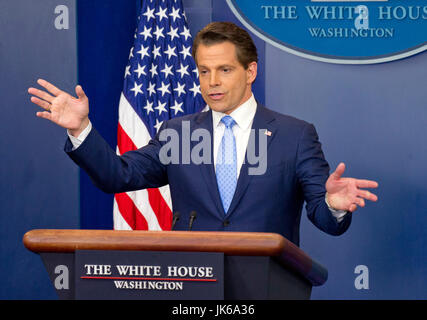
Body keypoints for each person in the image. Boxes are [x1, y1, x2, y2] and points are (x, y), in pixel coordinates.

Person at [28, 22, 378, 246]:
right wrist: (80, 129)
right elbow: (116, 175)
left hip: (269, 285)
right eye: (204, 71)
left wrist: (332, 204)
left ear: (250, 70)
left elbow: (325, 218)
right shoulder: (175, 133)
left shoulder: (295, 135)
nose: (212, 82)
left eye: (225, 70)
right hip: (192, 288)